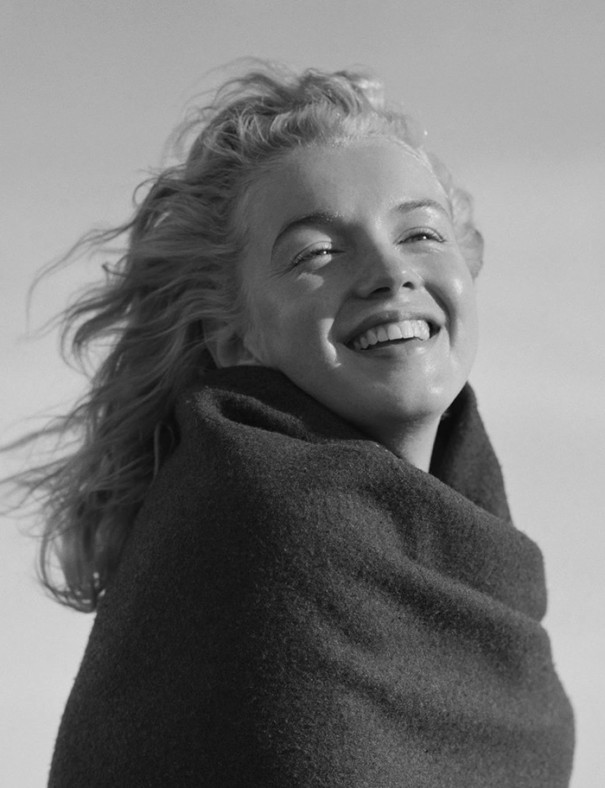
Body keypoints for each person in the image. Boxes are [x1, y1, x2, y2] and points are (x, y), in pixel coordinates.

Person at [18, 62, 573, 786]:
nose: (390, 272)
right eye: (317, 252)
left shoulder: (477, 559)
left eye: (420, 234)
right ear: (233, 337)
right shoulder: (262, 528)